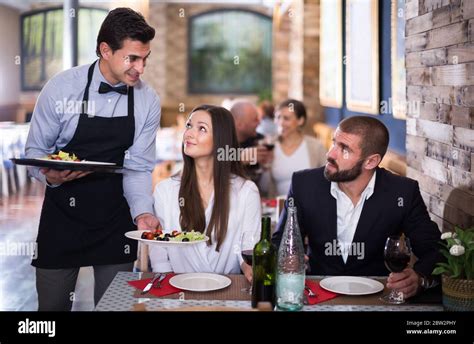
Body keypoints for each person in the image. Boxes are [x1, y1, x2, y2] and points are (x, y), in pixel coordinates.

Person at [25, 8, 161, 311]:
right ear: (105, 50)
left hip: (116, 220)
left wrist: (142, 213)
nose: (141, 68)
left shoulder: (147, 99)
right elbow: (35, 151)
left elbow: (138, 168)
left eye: (145, 58)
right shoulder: (61, 88)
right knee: (51, 311)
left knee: (116, 308)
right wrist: (50, 176)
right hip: (62, 217)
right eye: (132, 58)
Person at [272, 116, 442, 299]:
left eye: (344, 149)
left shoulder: (402, 192)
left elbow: (435, 250)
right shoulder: (303, 184)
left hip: (378, 299)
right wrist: (284, 258)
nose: (331, 154)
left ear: (370, 161)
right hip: (316, 295)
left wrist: (419, 278)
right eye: (334, 143)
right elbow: (279, 241)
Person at [149, 105, 261, 282]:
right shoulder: (165, 190)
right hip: (178, 291)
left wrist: (248, 265)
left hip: (227, 290)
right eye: (188, 126)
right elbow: (159, 251)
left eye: (201, 128)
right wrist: (168, 287)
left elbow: (247, 248)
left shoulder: (246, 192)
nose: (189, 134)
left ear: (220, 140)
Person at [259, 99, 326, 197]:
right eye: (278, 117)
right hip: (281, 208)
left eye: (286, 118)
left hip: (310, 208)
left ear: (300, 120)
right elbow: (264, 188)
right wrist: (266, 166)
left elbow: (329, 180)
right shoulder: (269, 146)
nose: (280, 123)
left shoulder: (316, 147)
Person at [229, 100, 272, 184]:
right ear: (240, 125)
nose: (260, 122)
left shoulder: (261, 140)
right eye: (255, 119)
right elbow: (213, 170)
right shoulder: (221, 143)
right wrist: (240, 160)